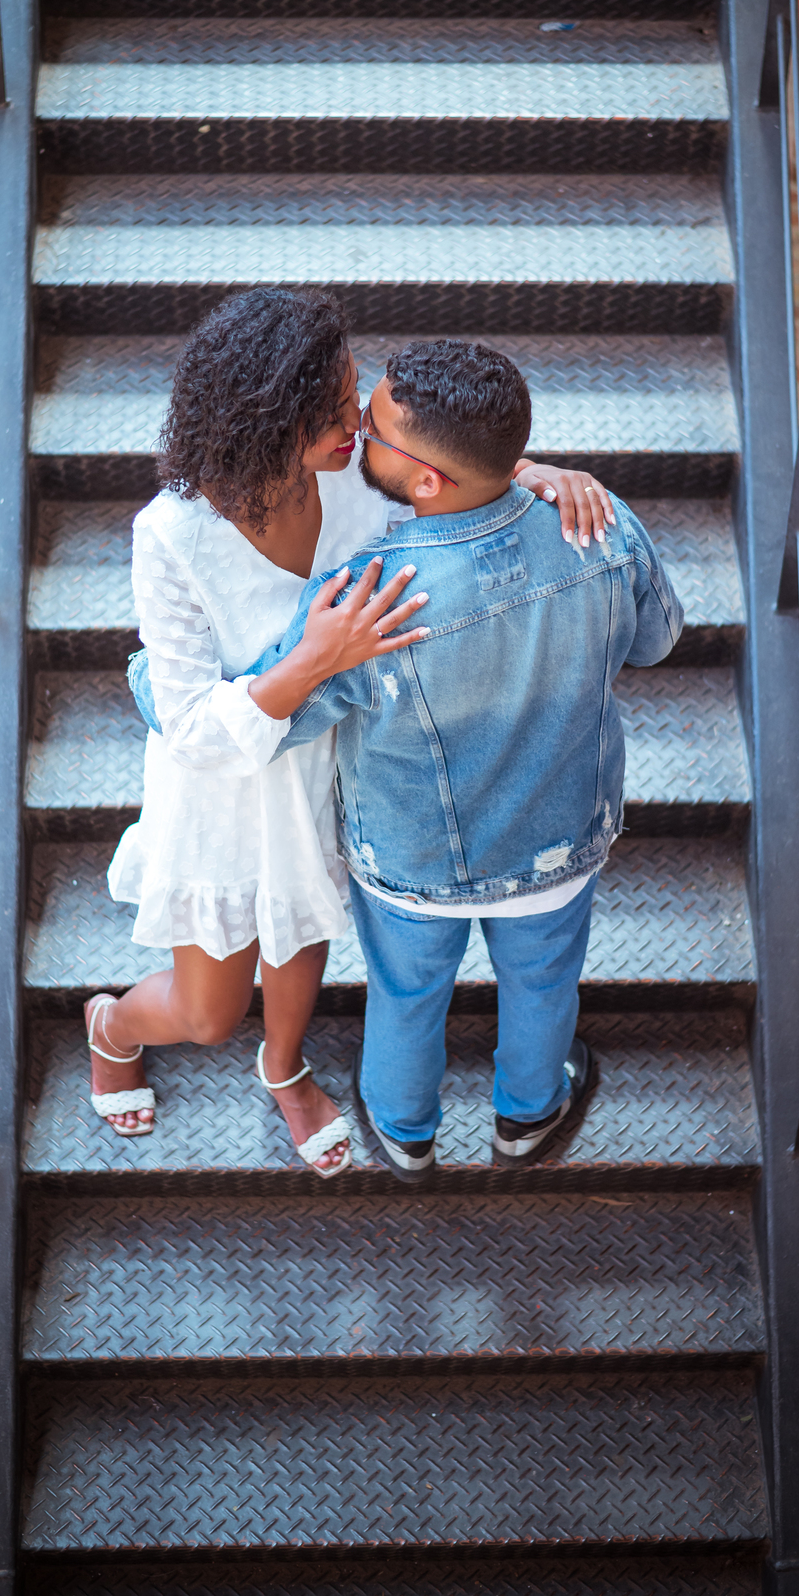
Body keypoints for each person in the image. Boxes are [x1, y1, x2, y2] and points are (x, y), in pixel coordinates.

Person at [86, 289, 613, 1176]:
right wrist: (312, 659)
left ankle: (285, 1064)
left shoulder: (349, 475)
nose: (355, 423)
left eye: (351, 394)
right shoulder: (171, 535)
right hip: (224, 793)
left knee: (302, 947)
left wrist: (526, 474)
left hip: (334, 772)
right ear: (265, 425)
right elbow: (190, 727)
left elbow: (439, 485)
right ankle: (111, 1025)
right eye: (332, 412)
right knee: (210, 1011)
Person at [243, 338, 685, 1180]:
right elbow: (658, 639)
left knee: (406, 995)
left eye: (372, 428)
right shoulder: (597, 523)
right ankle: (528, 1116)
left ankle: (404, 1131)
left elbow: (283, 720)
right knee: (544, 985)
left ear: (427, 481)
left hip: (412, 865)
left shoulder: (365, 597)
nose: (354, 428)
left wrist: (161, 678)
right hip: (559, 844)